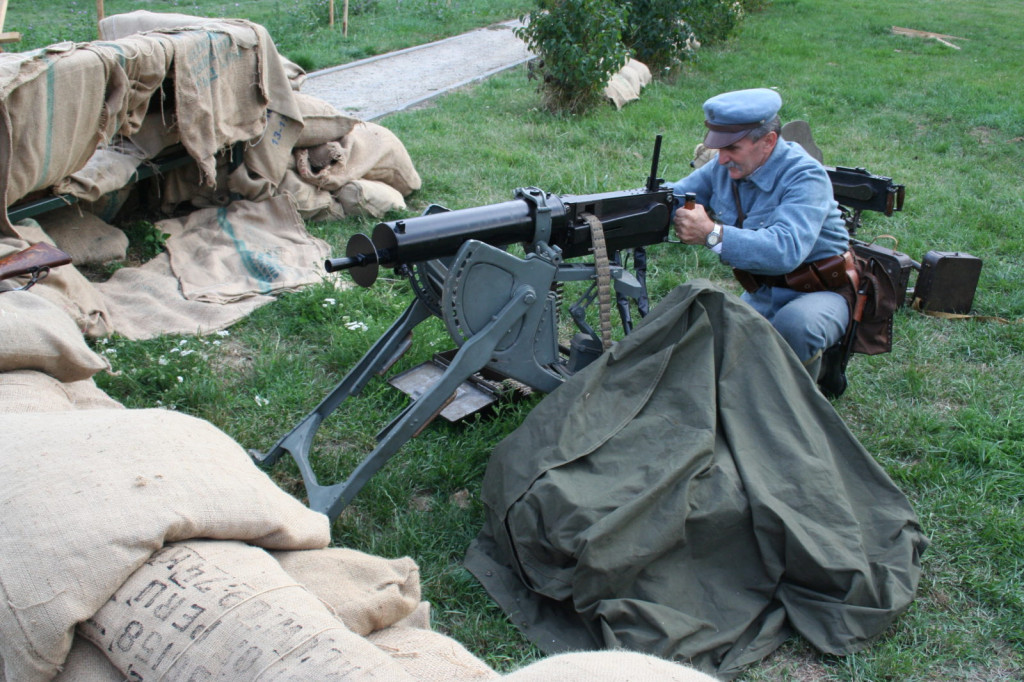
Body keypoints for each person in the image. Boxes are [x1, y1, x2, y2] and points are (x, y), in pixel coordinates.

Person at [669, 87, 853, 379]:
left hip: (821, 289)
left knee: (795, 326)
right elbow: (675, 196)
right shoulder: (724, 166)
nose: (721, 159)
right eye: (719, 148)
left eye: (732, 149)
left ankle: (803, 398)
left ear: (768, 141)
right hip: (766, 290)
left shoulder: (806, 176)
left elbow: (784, 250)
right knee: (713, 339)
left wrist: (711, 234)